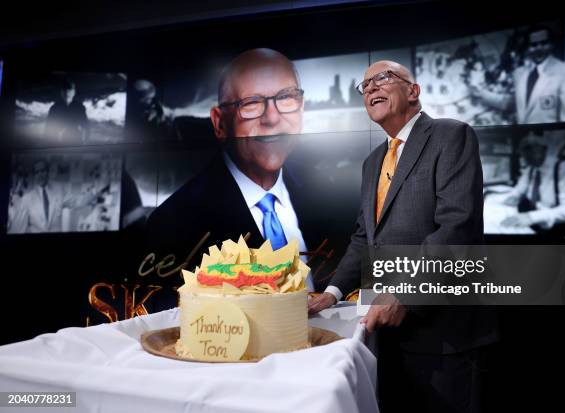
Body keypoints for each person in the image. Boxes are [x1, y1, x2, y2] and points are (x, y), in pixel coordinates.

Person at [308, 60, 499, 412]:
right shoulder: (372, 161)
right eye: (364, 86)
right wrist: (332, 293)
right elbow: (365, 239)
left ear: (413, 91)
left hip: (445, 336)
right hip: (384, 336)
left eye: (383, 78)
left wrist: (404, 293)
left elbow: (458, 228)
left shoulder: (451, 135)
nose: (371, 88)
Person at [146, 48, 327, 290]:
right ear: (220, 124)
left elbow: (370, 293)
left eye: (285, 98)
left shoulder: (334, 194)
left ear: (301, 108)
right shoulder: (173, 223)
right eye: (251, 103)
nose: (272, 119)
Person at [472, 25, 565, 124]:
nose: (538, 48)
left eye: (544, 43)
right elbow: (510, 103)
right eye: (533, 45)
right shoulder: (520, 73)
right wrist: (482, 94)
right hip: (523, 142)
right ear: (528, 48)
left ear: (552, 44)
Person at [501, 132, 565, 230]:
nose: (526, 154)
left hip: (558, 229)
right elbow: (518, 191)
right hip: (536, 224)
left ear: (544, 149)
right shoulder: (531, 169)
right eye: (523, 150)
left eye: (530, 148)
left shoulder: (564, 169)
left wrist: (532, 217)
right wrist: (512, 197)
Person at [8, 159, 102, 233]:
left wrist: (96, 189)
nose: (40, 174)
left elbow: (78, 202)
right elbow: (19, 229)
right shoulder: (27, 199)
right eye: (37, 172)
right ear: (35, 175)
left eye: (43, 170)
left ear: (48, 172)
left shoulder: (59, 191)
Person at [45, 79, 90, 143]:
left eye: (69, 90)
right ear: (61, 92)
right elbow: (47, 130)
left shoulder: (80, 108)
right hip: (58, 144)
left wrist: (84, 142)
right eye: (65, 90)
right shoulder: (54, 108)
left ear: (74, 92)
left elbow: (86, 128)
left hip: (77, 142)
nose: (67, 92)